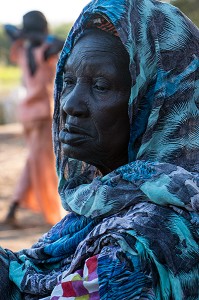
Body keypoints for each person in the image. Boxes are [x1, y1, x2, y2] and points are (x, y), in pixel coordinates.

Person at [0, 0, 199, 299]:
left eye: (101, 86)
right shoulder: (110, 204)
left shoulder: (135, 247)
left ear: (152, 102)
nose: (69, 105)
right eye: (67, 81)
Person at [3, 11, 64, 226]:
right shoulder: (47, 50)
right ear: (44, 28)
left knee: (34, 161)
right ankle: (48, 213)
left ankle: (14, 207)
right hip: (42, 114)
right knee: (43, 164)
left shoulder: (22, 48)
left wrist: (26, 35)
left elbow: (8, 28)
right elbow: (64, 42)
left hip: (26, 114)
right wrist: (40, 37)